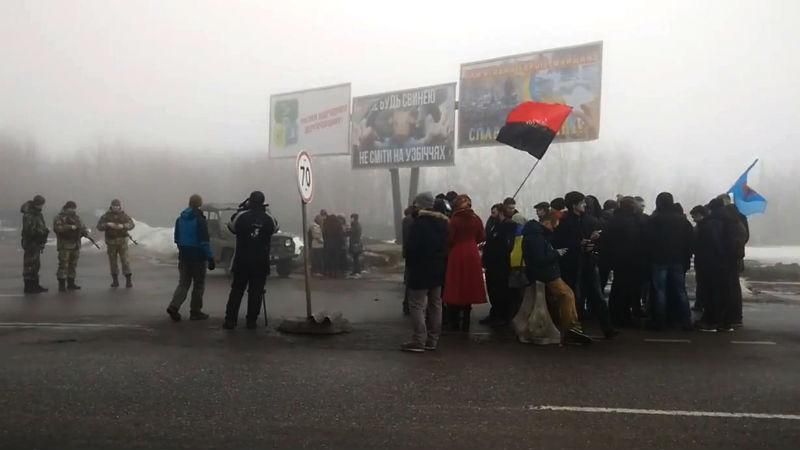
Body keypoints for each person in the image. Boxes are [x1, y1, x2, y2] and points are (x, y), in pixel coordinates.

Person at [553, 191, 617, 339]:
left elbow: (600, 238)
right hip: (572, 264)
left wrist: (593, 242)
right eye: (582, 203)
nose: (585, 205)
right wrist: (579, 244)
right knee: (576, 297)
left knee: (597, 295)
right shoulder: (564, 222)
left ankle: (607, 328)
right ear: (574, 205)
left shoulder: (588, 220)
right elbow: (558, 242)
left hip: (588, 261)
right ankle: (575, 329)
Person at [522, 211, 591, 344]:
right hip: (546, 274)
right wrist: (556, 253)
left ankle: (570, 326)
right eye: (554, 226)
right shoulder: (537, 237)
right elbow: (540, 258)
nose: (554, 229)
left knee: (562, 296)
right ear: (547, 223)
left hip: (542, 273)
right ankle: (570, 327)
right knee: (567, 295)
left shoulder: (535, 234)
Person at [223, 191, 278, 330]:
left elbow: (231, 226)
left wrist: (241, 210)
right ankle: (251, 321)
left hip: (242, 259)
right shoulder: (268, 218)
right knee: (256, 292)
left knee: (237, 290)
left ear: (250, 201)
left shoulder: (242, 216)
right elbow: (275, 228)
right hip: (261, 261)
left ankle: (230, 320)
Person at [401, 192, 449, 353]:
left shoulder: (419, 223)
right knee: (436, 305)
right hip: (438, 270)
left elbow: (412, 248)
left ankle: (419, 340)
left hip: (420, 269)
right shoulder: (444, 223)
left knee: (417, 304)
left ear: (420, 205)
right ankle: (432, 340)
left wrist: (410, 262)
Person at [695, 198, 746, 332]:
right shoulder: (735, 221)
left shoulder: (713, 223)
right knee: (726, 292)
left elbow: (712, 243)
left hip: (715, 263)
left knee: (713, 293)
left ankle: (711, 322)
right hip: (730, 262)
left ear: (711, 209)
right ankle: (726, 323)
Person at [644, 192, 694, 331]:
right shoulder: (682, 220)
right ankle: (686, 320)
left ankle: (660, 321)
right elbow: (690, 240)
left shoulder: (654, 220)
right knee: (680, 290)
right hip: (677, 259)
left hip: (658, 259)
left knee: (660, 291)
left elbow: (647, 241)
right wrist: (686, 256)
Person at [166, 194, 214, 322]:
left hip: (184, 256)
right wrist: (210, 258)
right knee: (198, 284)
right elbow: (204, 241)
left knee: (183, 284)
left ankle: (174, 306)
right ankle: (195, 311)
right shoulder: (200, 220)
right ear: (200, 204)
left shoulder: (180, 219)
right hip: (198, 257)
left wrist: (183, 250)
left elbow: (176, 238)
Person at [443, 195, 487, 332]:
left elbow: (449, 238)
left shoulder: (454, 220)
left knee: (456, 284)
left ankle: (454, 321)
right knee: (469, 284)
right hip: (472, 253)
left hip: (457, 253)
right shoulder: (476, 219)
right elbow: (482, 236)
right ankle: (466, 319)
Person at [601, 197, 645, 328]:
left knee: (618, 287)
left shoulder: (614, 220)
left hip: (617, 259)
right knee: (627, 289)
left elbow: (607, 241)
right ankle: (624, 316)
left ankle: (615, 314)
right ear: (631, 206)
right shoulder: (634, 221)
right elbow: (637, 241)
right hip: (631, 260)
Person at [481, 203, 512, 327]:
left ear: (500, 212)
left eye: (494, 212)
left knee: (500, 291)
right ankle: (494, 313)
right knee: (492, 290)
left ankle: (502, 316)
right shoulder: (494, 224)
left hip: (501, 264)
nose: (492, 215)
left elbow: (507, 246)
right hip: (491, 263)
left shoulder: (508, 226)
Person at [97, 199, 135, 288]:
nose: (116, 208)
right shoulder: (106, 216)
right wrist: (107, 224)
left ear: (120, 206)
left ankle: (128, 280)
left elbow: (131, 224)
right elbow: (99, 226)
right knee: (113, 262)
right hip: (111, 242)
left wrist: (123, 226)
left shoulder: (124, 216)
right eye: (114, 206)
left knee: (125, 261)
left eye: (117, 206)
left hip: (122, 242)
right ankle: (115, 281)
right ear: (111, 206)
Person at [53, 201, 89, 292]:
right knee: (63, 265)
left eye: (74, 208)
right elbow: (57, 228)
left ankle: (71, 283)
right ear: (66, 208)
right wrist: (70, 227)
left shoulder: (77, 218)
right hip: (64, 245)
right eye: (71, 208)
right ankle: (61, 284)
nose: (72, 210)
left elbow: (82, 227)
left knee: (73, 265)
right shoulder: (59, 217)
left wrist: (85, 232)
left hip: (75, 244)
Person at [20, 195, 50, 294]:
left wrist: (44, 232)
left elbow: (39, 226)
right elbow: (29, 230)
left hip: (36, 242)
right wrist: (41, 232)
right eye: (41, 204)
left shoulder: (37, 214)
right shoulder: (29, 215)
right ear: (37, 203)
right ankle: (29, 287)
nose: (42, 206)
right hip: (31, 242)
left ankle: (35, 285)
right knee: (29, 265)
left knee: (35, 265)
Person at [690, 205, 711, 313]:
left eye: (694, 216)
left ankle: (701, 304)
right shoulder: (703, 226)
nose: (693, 219)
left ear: (700, 215)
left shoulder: (703, 227)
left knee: (703, 283)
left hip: (704, 259)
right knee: (702, 282)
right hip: (703, 259)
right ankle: (701, 303)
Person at [401, 205, 417, 316]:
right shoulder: (410, 220)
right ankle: (408, 305)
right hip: (412, 253)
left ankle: (407, 304)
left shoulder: (407, 220)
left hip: (409, 252)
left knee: (409, 277)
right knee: (411, 278)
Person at [322, 213, 345, 278]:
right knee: (336, 259)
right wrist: (342, 243)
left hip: (328, 244)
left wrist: (326, 241)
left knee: (328, 259)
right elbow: (341, 235)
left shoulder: (326, 224)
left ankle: (328, 272)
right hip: (337, 245)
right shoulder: (338, 225)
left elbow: (324, 234)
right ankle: (335, 272)